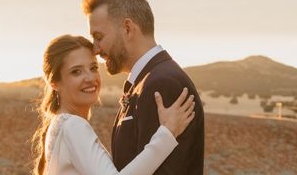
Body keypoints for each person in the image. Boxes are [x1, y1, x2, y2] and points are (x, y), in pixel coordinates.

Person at [31, 34, 195, 175]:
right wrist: (167, 133)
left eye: (93, 67)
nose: (90, 78)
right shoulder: (72, 126)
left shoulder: (60, 124)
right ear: (54, 83)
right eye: (76, 71)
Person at [83, 0, 205, 175]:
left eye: (99, 37)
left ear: (127, 29)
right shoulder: (147, 81)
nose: (96, 49)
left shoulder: (163, 84)